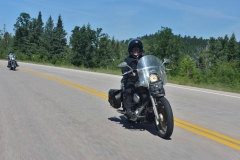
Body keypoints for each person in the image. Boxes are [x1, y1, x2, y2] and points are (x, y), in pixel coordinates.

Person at [120, 38, 144, 119]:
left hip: (143, 80)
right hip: (132, 80)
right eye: (134, 49)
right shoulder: (128, 60)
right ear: (131, 50)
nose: (136, 51)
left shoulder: (143, 59)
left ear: (140, 50)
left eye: (137, 49)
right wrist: (129, 73)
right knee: (129, 90)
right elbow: (124, 70)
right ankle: (128, 110)